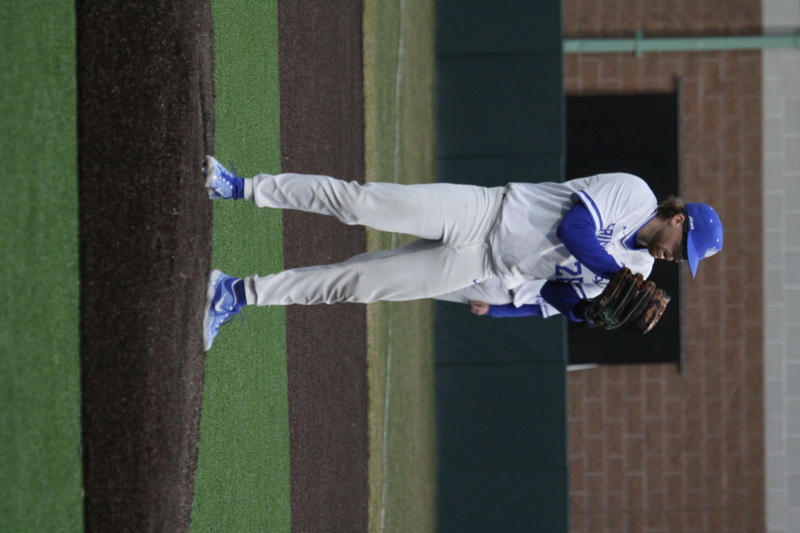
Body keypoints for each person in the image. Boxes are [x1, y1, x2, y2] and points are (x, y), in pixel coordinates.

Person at [201, 156, 723, 350]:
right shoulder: (633, 194)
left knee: (356, 285)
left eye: (688, 258)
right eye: (686, 246)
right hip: (482, 212)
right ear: (678, 219)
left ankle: (236, 292)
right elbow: (575, 227)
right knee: (360, 202)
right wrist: (611, 277)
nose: (681, 258)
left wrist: (588, 311)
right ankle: (238, 186)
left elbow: (557, 290)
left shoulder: (639, 269)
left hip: (485, 266)